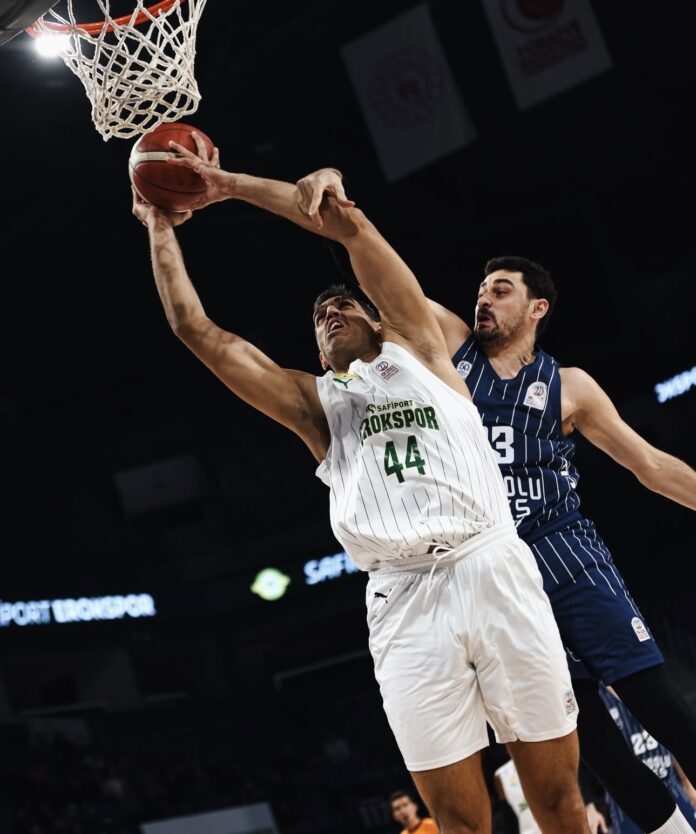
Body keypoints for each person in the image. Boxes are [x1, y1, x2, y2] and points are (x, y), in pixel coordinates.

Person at [131, 141, 590, 833]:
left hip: (490, 562)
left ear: (381, 318)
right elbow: (195, 330)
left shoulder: (425, 351)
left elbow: (351, 230)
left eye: (344, 303)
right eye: (320, 317)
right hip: (401, 599)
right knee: (459, 821)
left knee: (557, 801)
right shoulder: (316, 406)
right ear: (319, 355)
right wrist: (158, 225)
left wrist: (228, 184)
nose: (331, 312)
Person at [291, 169, 696, 834]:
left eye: (501, 291)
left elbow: (649, 465)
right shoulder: (447, 352)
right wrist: (332, 206)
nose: (484, 299)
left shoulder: (568, 384)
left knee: (663, 708)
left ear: (537, 308)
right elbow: (376, 275)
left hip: (566, 557)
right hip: (492, 572)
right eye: (480, 290)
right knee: (598, 753)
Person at [598, 686, 696, 834]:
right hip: (629, 800)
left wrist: (687, 783)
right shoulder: (596, 694)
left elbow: (675, 736)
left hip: (670, 785)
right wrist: (589, 803)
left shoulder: (651, 683)